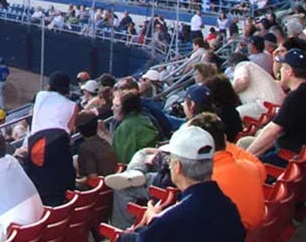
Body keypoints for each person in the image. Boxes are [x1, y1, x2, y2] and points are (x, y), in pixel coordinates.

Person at [114, 125, 244, 242]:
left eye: (170, 160)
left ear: (177, 166)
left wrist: (146, 224)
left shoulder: (171, 221)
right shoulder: (230, 209)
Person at [187, 112, 266, 230]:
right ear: (224, 138)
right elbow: (262, 172)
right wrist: (222, 143)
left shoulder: (205, 185)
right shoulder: (251, 167)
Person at [246, 47, 306, 166]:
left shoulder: (295, 98)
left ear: (289, 71)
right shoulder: (300, 93)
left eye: (282, 67)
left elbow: (272, 131)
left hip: (290, 158)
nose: (279, 71)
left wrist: (245, 158)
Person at [112, 90, 159, 165]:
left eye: (117, 106)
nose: (112, 108)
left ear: (126, 107)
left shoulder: (125, 127)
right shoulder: (145, 119)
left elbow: (123, 159)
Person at [74, 110, 117, 188]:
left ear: (79, 129)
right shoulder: (104, 142)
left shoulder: (85, 148)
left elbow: (93, 178)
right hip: (110, 185)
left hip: (101, 189)